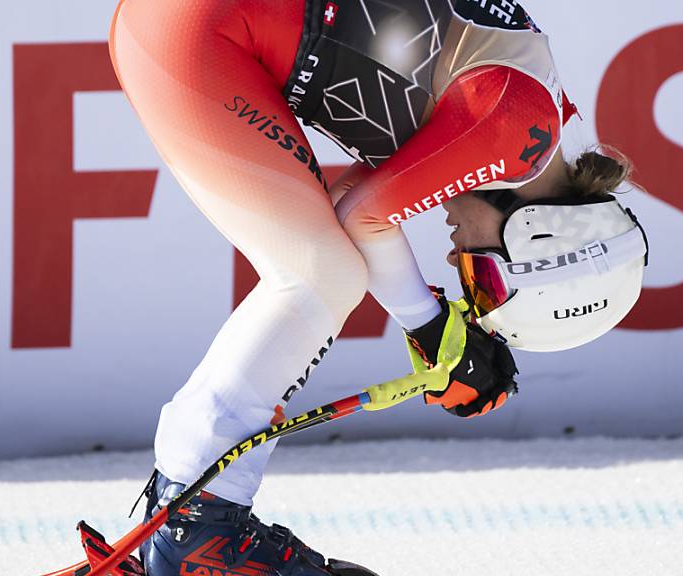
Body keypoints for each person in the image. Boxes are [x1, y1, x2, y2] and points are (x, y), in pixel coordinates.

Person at [108, 0, 648, 574]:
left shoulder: (531, 120)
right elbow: (363, 217)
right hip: (201, 31)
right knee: (321, 274)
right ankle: (199, 526)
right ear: (541, 237)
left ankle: (188, 510)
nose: (454, 259)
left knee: (322, 263)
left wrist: (437, 328)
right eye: (486, 280)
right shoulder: (516, 132)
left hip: (192, 27)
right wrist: (430, 323)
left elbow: (345, 206)